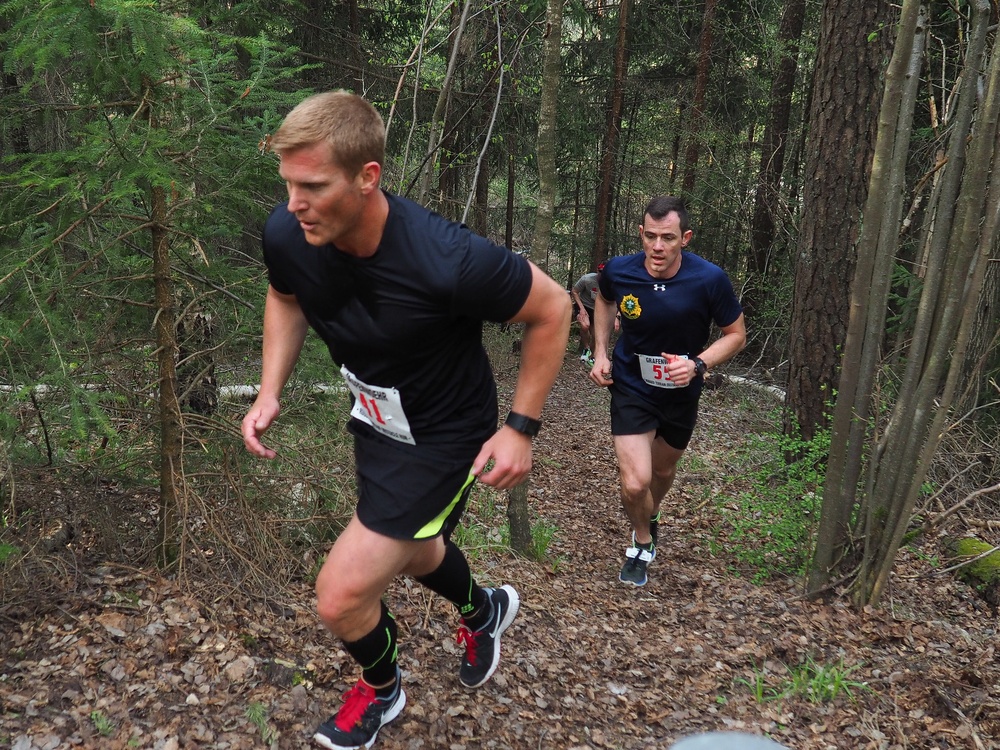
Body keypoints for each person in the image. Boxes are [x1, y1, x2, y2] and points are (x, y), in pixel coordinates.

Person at [241, 90, 570, 750]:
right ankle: (485, 611)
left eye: (312, 186)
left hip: (447, 435)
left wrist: (520, 428)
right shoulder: (291, 232)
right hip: (378, 419)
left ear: (368, 177)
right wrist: (269, 388)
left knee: (339, 595)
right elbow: (285, 297)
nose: (294, 204)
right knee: (415, 548)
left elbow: (555, 308)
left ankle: (382, 690)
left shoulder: (448, 259)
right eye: (287, 186)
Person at [588, 196, 745, 587]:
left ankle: (650, 514)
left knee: (661, 470)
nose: (658, 247)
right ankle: (642, 540)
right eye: (651, 237)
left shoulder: (709, 279)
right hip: (630, 385)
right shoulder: (620, 270)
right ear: (641, 234)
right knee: (636, 481)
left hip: (680, 392)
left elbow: (736, 334)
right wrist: (601, 352)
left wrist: (698, 364)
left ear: (685, 238)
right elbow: (605, 300)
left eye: (668, 238)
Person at [571, 269, 600, 365]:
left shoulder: (610, 282)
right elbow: (574, 291)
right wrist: (582, 309)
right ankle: (586, 349)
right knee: (585, 326)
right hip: (584, 305)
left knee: (596, 335)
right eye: (600, 271)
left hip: (598, 310)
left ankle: (591, 357)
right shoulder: (587, 279)